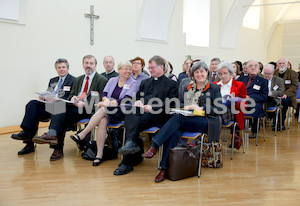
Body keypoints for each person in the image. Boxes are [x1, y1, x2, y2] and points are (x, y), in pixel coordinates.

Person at [142, 61, 222, 183]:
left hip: (207, 121)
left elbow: (219, 109)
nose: (199, 74)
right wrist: (185, 107)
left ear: (207, 72)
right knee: (174, 131)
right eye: (196, 72)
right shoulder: (187, 88)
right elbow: (180, 104)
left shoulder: (214, 88)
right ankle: (164, 169)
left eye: (202, 71)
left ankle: (154, 146)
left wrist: (202, 109)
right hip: (187, 119)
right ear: (193, 74)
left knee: (177, 119)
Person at [32, 55, 108, 161]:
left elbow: (100, 99)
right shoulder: (79, 79)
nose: (88, 66)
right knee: (59, 109)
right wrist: (73, 98)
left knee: (60, 116)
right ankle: (53, 137)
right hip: (75, 107)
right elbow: (72, 94)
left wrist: (84, 104)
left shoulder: (102, 80)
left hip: (89, 109)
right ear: (83, 65)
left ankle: (55, 144)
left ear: (95, 65)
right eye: (86, 63)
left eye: (91, 63)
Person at [114, 55, 178, 176]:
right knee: (130, 110)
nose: (150, 70)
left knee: (131, 126)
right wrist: (138, 102)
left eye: (153, 67)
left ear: (162, 67)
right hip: (142, 113)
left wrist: (153, 108)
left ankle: (127, 162)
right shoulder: (145, 82)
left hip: (159, 115)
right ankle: (132, 149)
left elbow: (172, 103)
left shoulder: (171, 84)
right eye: (149, 67)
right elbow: (138, 97)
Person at [69, 60, 139, 166]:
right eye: (125, 69)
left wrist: (109, 103)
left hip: (122, 112)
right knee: (102, 121)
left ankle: (83, 134)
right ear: (119, 70)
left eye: (130, 69)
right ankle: (99, 155)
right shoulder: (112, 80)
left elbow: (126, 99)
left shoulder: (134, 83)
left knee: (102, 109)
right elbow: (104, 94)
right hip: (108, 110)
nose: (128, 71)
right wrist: (106, 100)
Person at [11, 58, 76, 155]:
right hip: (50, 106)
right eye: (59, 67)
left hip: (62, 107)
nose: (61, 69)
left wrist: (57, 99)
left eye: (63, 67)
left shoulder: (73, 80)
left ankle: (57, 149)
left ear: (67, 68)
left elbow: (71, 97)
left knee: (58, 108)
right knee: (32, 104)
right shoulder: (53, 80)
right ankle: (27, 136)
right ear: (56, 69)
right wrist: (44, 97)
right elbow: (49, 93)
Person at [214, 62, 247, 147]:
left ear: (231, 73)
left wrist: (234, 100)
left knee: (215, 114)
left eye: (225, 73)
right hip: (217, 109)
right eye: (220, 74)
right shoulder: (215, 85)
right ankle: (212, 141)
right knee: (212, 113)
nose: (223, 76)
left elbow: (244, 102)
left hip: (232, 111)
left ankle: (215, 141)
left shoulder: (239, 85)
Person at [238, 60, 268, 138]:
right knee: (232, 107)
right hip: (241, 102)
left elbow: (264, 96)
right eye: (251, 66)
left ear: (259, 69)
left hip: (254, 103)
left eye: (255, 66)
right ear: (246, 69)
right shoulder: (240, 79)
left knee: (255, 107)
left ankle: (254, 130)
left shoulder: (263, 81)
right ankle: (236, 132)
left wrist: (250, 97)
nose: (253, 68)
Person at [273, 57, 298, 130]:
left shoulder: (293, 73)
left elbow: (294, 86)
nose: (281, 65)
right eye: (280, 63)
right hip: (276, 94)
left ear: (287, 64)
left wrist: (286, 94)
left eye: (283, 63)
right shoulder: (275, 73)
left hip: (289, 96)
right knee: (270, 101)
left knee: (283, 102)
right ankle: (274, 120)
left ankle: (281, 123)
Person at [263, 64, 284, 128]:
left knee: (267, 102)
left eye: (268, 74)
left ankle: (265, 117)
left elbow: (281, 92)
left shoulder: (278, 80)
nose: (266, 75)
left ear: (273, 72)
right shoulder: (260, 78)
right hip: (262, 98)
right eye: (265, 73)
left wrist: (271, 93)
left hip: (273, 99)